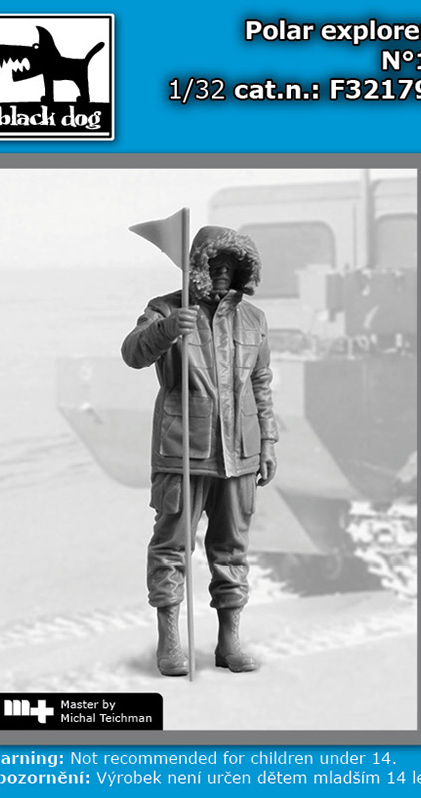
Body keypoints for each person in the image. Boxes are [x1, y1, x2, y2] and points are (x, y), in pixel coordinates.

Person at [121, 225, 278, 676]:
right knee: (171, 547)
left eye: (233, 264)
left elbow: (261, 383)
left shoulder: (254, 319)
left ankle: (229, 641)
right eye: (215, 263)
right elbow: (132, 353)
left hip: (241, 453)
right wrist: (168, 329)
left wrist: (268, 441)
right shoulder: (166, 308)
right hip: (182, 451)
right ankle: (170, 641)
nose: (224, 271)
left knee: (232, 550)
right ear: (198, 266)